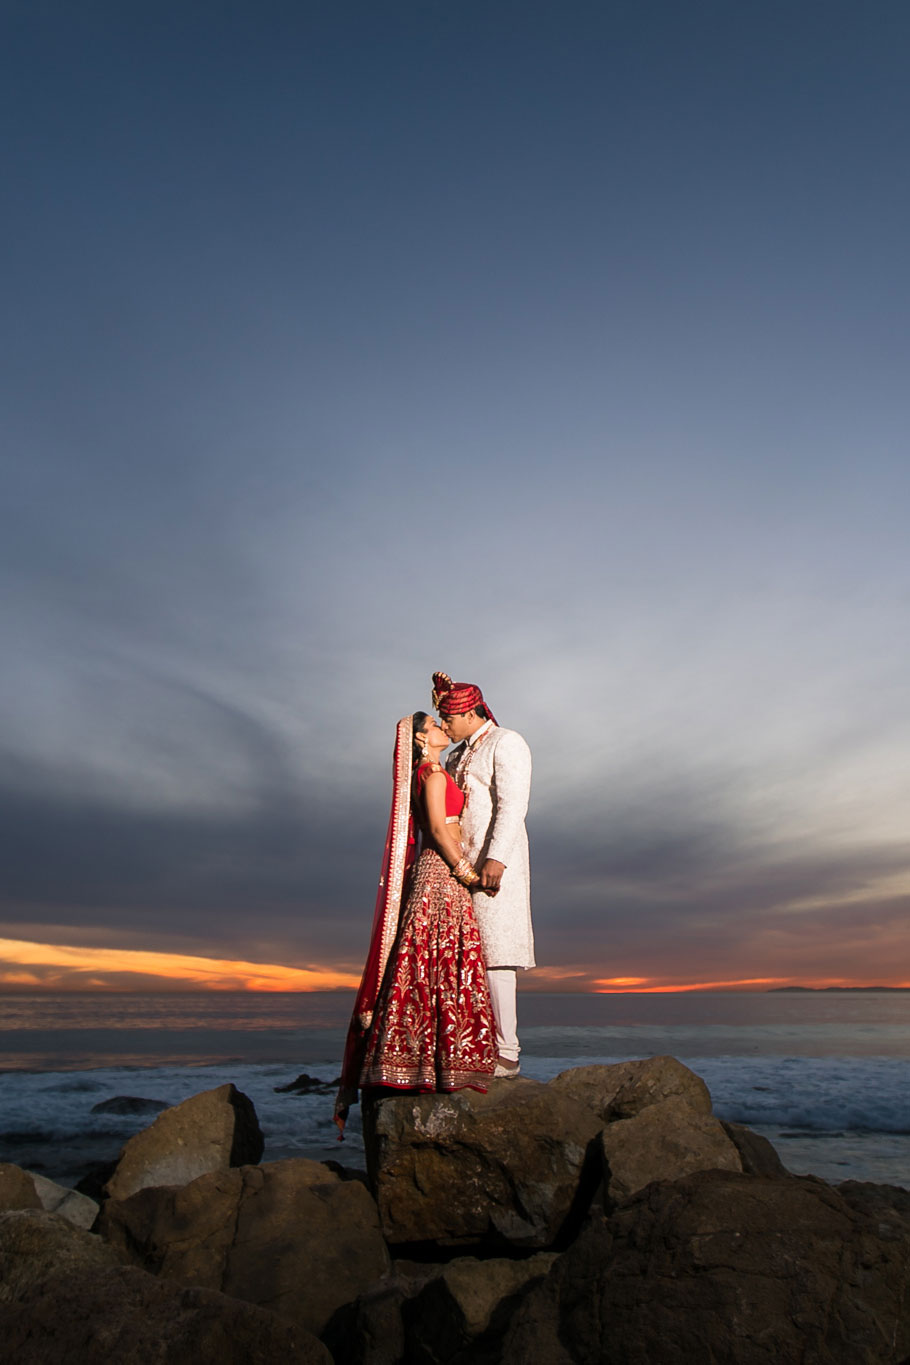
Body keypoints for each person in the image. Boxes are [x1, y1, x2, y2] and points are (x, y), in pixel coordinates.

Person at [334, 711, 496, 1135]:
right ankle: (433, 1063)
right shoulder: (434, 777)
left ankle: (419, 1059)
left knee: (427, 961)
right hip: (442, 872)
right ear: (422, 740)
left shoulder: (429, 774)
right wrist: (468, 873)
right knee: (439, 960)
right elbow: (442, 833)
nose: (445, 728)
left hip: (433, 872)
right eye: (436, 726)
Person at [432, 672, 534, 1078]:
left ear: (470, 713)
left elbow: (513, 806)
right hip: (459, 865)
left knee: (497, 954)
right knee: (466, 956)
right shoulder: (457, 755)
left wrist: (496, 859)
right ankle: (472, 1044)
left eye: (448, 719)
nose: (445, 727)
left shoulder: (506, 741)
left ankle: (507, 1051)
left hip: (495, 864)